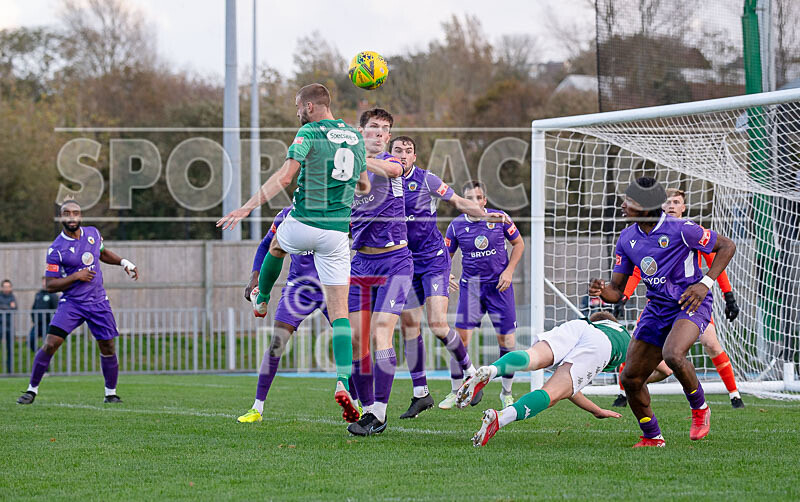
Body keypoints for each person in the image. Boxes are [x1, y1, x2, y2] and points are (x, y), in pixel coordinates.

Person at [217, 83, 370, 423]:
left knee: (274, 245)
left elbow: (285, 177)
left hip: (304, 221)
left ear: (312, 107)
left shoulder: (308, 134)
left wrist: (246, 208)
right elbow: (364, 185)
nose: (297, 112)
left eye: (298, 107)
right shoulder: (356, 137)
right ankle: (343, 382)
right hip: (335, 235)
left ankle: (262, 297)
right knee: (341, 313)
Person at [589, 177, 736, 447]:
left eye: (629, 201)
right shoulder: (627, 237)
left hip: (690, 303)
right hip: (656, 308)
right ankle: (652, 437)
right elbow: (617, 290)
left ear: (646, 207)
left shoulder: (683, 229)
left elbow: (727, 246)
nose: (623, 205)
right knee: (630, 379)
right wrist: (602, 291)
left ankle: (700, 407)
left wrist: (705, 284)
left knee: (673, 354)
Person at [390, 136, 506, 415]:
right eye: (398, 150)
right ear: (389, 153)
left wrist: (484, 214)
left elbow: (456, 200)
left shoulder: (427, 180)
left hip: (432, 260)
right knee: (409, 326)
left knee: (438, 325)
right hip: (404, 262)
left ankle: (471, 373)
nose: (403, 155)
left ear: (415, 157)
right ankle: (421, 393)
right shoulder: (382, 182)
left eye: (408, 151)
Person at [611, 188, 745, 409]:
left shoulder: (688, 230)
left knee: (708, 344)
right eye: (669, 202)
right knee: (641, 358)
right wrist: (622, 296)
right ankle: (625, 392)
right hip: (659, 305)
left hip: (691, 301)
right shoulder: (635, 236)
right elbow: (637, 271)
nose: (672, 206)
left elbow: (716, 259)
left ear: (683, 207)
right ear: (661, 207)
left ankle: (733, 395)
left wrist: (727, 295)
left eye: (677, 202)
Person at [17, 199, 139, 404]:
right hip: (72, 303)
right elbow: (50, 285)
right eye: (67, 213)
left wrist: (123, 262)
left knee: (108, 346)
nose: (72, 217)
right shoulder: (56, 249)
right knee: (50, 344)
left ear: (80, 216)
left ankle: (111, 394)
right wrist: (76, 277)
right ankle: (31, 390)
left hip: (98, 301)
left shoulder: (92, 233)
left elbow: (102, 253)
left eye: (75, 213)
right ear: (61, 217)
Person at [459, 312, 626, 447]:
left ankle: (492, 370)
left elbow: (571, 391)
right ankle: (501, 418)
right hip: (603, 343)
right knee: (551, 395)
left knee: (532, 357)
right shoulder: (626, 338)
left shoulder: (589, 323)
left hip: (578, 326)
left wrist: (596, 410)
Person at [345, 108, 413, 436]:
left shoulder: (394, 163)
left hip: (396, 262)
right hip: (360, 264)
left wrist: (355, 154)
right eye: (373, 127)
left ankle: (381, 413)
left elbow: (388, 169)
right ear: (362, 130)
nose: (380, 133)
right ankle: (369, 409)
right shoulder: (346, 170)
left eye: (385, 129)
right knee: (357, 339)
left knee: (381, 331)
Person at [237, 205, 331, 423]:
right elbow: (265, 246)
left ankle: (364, 407)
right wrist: (255, 277)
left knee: (352, 342)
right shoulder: (287, 214)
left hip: (331, 286)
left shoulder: (337, 208)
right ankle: (257, 408)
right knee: (277, 344)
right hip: (298, 288)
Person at [445, 181, 525, 408]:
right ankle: (455, 390)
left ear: (484, 201)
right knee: (459, 340)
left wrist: (509, 271)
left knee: (507, 340)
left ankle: (506, 392)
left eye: (478, 198)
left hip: (499, 288)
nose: (475, 202)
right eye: (469, 198)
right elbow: (445, 256)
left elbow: (518, 244)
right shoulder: (456, 226)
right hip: (471, 289)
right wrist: (446, 274)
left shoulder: (499, 218)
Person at [29, 277, 59, 352]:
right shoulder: (38, 294)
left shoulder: (53, 295)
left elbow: (56, 310)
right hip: (37, 323)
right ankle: (40, 352)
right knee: (30, 340)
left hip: (47, 324)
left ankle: (45, 361)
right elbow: (33, 308)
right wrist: (34, 319)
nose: (44, 284)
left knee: (47, 344)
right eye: (43, 282)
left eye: (46, 282)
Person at [1, 279, 17, 373]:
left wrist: (3, 307)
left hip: (9, 326)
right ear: (2, 287)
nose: (7, 288)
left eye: (8, 286)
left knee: (10, 349)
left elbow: (15, 308)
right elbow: (11, 307)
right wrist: (8, 307)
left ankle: (10, 371)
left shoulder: (12, 296)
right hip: (0, 325)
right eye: (5, 286)